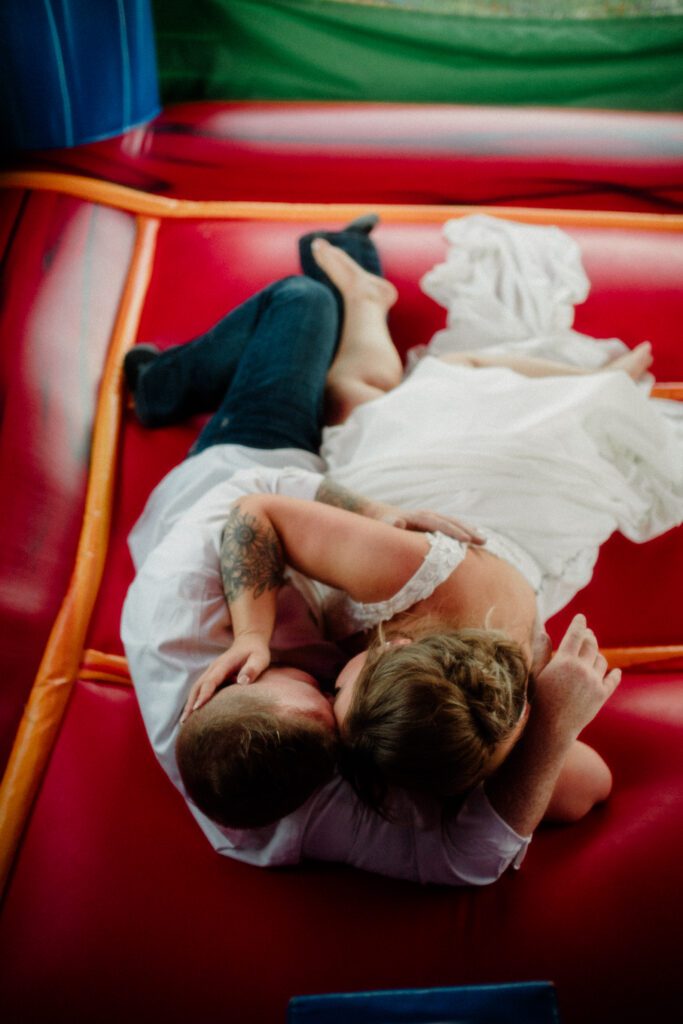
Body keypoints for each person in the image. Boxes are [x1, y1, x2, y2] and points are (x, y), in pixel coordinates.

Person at [122, 220, 620, 885]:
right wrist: (547, 726)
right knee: (361, 395)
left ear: (214, 688)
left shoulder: (180, 601)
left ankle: (158, 387)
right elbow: (470, 860)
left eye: (309, 685)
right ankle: (360, 287)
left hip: (237, 465)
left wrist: (262, 622)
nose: (329, 680)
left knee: (302, 305)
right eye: (335, 702)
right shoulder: (302, 796)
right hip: (379, 544)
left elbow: (258, 495)